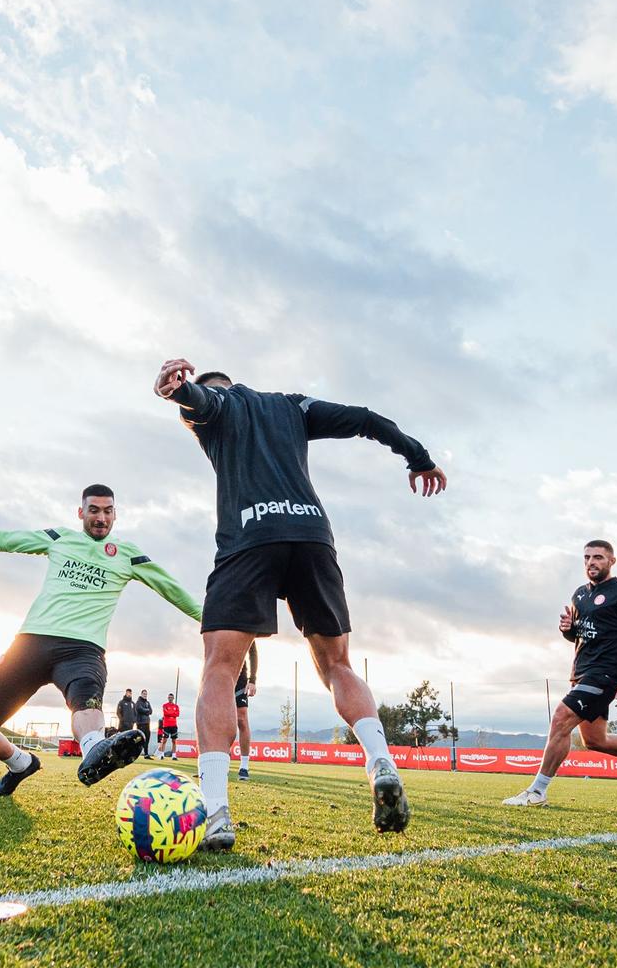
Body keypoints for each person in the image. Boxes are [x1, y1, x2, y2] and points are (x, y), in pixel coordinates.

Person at [156, 359, 446, 849]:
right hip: (313, 535)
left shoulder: (214, 409)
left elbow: (201, 403)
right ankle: (380, 764)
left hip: (249, 539)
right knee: (337, 664)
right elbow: (364, 418)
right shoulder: (292, 406)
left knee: (220, 669)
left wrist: (179, 393)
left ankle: (217, 810)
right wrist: (416, 455)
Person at [0, 486, 201, 796]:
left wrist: (213, 619)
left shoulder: (129, 555)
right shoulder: (59, 538)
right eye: (94, 510)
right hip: (29, 645)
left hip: (82, 649)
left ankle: (95, 749)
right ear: (81, 512)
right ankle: (20, 763)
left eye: (107, 511)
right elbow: (8, 541)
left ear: (115, 514)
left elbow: (171, 588)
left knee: (85, 702)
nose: (101, 517)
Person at [504, 540, 617, 807]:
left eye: (597, 557)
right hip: (581, 673)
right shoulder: (580, 595)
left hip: (608, 674)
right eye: (586, 558)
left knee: (561, 718)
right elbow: (578, 636)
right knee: (595, 740)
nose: (591, 563)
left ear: (611, 561)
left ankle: (537, 791)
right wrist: (567, 630)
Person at [235, 643, 259, 781]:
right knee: (217, 720)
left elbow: (253, 652)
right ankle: (213, 764)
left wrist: (253, 679)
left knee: (241, 719)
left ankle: (244, 766)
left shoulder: (244, 621)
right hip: (218, 676)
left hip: (240, 679)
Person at [158, 692, 181, 760]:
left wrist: (170, 713)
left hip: (174, 725)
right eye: (169, 697)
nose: (170, 698)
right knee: (164, 740)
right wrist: (172, 713)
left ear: (173, 698)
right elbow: (165, 713)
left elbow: (177, 714)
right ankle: (162, 755)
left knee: (174, 741)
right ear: (168, 698)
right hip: (166, 725)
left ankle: (174, 756)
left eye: (171, 697)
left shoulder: (176, 706)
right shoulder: (165, 705)